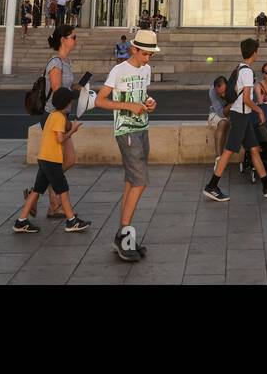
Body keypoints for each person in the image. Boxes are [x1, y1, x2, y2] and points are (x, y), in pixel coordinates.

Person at [96, 28, 159, 262]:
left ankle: (123, 235)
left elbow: (142, 95)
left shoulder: (147, 70)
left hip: (142, 128)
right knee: (140, 181)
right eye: (145, 54)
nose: (148, 59)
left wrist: (149, 102)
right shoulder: (118, 70)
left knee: (131, 181)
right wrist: (127, 107)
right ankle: (124, 234)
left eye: (151, 55)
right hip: (126, 130)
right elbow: (100, 100)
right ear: (134, 49)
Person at [203, 38, 267, 201]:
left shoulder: (239, 68)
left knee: (254, 149)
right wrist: (260, 112)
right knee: (228, 152)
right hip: (241, 116)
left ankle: (266, 186)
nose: (258, 53)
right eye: (257, 50)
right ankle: (212, 186)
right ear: (254, 52)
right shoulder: (247, 72)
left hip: (242, 115)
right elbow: (248, 99)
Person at [14, 88, 90, 234]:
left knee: (36, 191)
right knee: (63, 190)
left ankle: (21, 221)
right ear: (67, 103)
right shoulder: (59, 118)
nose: (72, 104)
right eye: (71, 101)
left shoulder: (52, 116)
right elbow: (60, 139)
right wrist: (73, 130)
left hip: (44, 158)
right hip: (51, 160)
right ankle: (71, 221)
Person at [25, 25, 78, 219]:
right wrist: (71, 94)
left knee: (58, 162)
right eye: (73, 37)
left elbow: (65, 86)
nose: (76, 40)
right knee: (66, 160)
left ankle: (48, 203)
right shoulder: (56, 63)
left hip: (62, 115)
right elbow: (57, 91)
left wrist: (78, 85)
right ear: (63, 40)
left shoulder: (67, 61)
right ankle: (48, 202)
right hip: (53, 116)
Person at [208, 75, 230, 158]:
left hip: (231, 115)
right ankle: (218, 158)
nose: (223, 95)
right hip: (215, 113)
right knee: (223, 123)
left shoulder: (232, 88)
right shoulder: (212, 92)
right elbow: (221, 113)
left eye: (224, 92)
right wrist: (230, 105)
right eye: (220, 93)